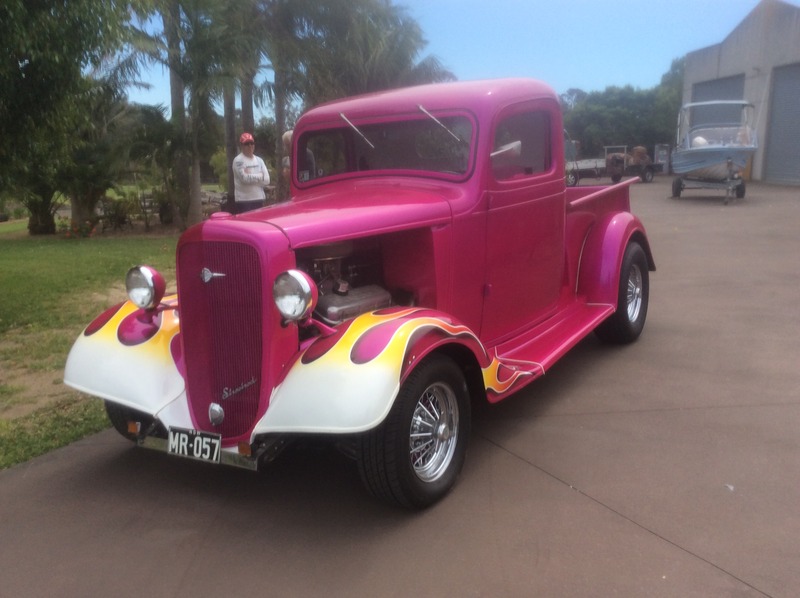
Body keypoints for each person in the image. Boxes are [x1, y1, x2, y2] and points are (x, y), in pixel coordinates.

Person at [232, 132, 270, 213]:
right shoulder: (238, 160)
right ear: (241, 146)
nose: (250, 146)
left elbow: (267, 180)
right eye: (247, 144)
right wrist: (260, 176)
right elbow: (244, 179)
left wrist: (250, 175)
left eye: (252, 143)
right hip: (244, 200)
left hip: (258, 198)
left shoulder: (259, 160)